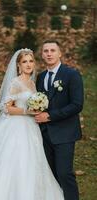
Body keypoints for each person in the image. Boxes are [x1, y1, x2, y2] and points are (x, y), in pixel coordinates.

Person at [0, 48, 64, 200]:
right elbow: (5, 107)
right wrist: (26, 111)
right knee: (14, 159)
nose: (28, 64)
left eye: (31, 61)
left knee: (32, 160)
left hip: (31, 127)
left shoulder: (31, 83)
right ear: (18, 65)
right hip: (16, 127)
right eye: (24, 62)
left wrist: (37, 108)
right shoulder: (15, 82)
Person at [35, 40, 84, 200]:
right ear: (42, 55)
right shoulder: (41, 77)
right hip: (44, 134)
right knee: (51, 175)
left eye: (52, 50)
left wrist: (49, 116)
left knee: (64, 173)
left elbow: (77, 104)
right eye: (46, 51)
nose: (49, 53)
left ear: (60, 53)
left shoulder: (72, 75)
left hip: (65, 132)